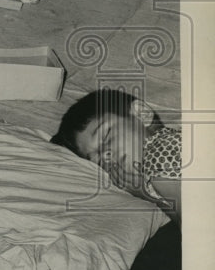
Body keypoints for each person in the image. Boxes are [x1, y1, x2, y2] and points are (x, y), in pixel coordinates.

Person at [51, 89, 181, 224]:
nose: (106, 155)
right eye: (98, 160)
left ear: (142, 113)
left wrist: (145, 193)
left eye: (106, 135)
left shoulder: (160, 154)